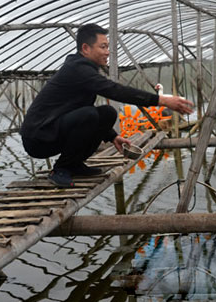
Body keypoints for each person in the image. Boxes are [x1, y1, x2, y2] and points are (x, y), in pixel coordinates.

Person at [20, 23, 194, 187]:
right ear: (86, 49)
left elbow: (79, 109)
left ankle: (73, 165)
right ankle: (61, 168)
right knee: (89, 114)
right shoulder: (77, 69)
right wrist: (161, 100)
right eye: (103, 47)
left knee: (107, 113)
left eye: (108, 47)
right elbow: (114, 90)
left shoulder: (84, 68)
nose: (107, 52)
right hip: (38, 138)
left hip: (54, 130)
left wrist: (112, 137)